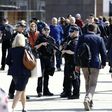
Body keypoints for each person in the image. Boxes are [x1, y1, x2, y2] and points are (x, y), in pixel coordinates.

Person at [75, 24, 106, 111]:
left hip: (84, 64)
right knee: (93, 84)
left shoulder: (82, 37)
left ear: (87, 29)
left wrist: (76, 64)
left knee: (87, 82)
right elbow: (103, 52)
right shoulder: (99, 38)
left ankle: (90, 101)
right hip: (95, 64)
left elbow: (76, 51)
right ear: (95, 29)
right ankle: (87, 98)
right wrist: (104, 63)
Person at [6, 34, 31, 112]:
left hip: (14, 72)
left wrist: (14, 65)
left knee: (23, 90)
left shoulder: (11, 50)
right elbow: (31, 59)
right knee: (20, 90)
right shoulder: (26, 49)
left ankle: (24, 107)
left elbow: (7, 62)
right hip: (24, 73)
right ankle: (12, 108)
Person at [8, 21, 30, 100]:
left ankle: (22, 93)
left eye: (24, 27)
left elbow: (28, 45)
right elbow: (12, 46)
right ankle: (11, 93)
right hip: (16, 58)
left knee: (22, 78)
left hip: (24, 58)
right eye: (22, 27)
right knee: (15, 78)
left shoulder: (26, 34)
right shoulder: (14, 35)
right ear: (18, 27)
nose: (23, 28)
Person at [35, 24, 55, 97]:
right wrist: (41, 44)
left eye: (48, 30)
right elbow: (35, 47)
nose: (47, 31)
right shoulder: (39, 38)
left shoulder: (51, 39)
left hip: (49, 59)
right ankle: (39, 91)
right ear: (42, 31)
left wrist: (53, 63)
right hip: (41, 58)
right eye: (45, 30)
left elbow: (53, 51)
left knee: (47, 76)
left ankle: (46, 90)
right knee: (40, 75)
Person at [60, 25, 80, 99]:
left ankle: (76, 94)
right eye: (70, 31)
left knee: (75, 78)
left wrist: (64, 51)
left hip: (74, 62)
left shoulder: (77, 40)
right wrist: (61, 47)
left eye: (72, 32)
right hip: (68, 61)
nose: (70, 33)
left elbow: (73, 52)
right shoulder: (69, 38)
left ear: (75, 32)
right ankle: (67, 92)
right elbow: (62, 43)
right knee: (67, 77)